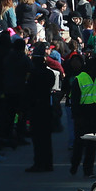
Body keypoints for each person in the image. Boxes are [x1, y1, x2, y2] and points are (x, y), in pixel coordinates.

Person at [71, 58, 96, 178]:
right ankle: (74, 165)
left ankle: (88, 170)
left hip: (95, 116)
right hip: (82, 115)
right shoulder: (80, 79)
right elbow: (74, 100)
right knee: (79, 144)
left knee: (92, 146)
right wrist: (76, 116)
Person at [25, 44, 57, 172]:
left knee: (37, 138)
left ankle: (38, 163)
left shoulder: (32, 74)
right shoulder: (49, 74)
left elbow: (28, 90)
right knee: (46, 138)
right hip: (46, 107)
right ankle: (48, 163)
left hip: (35, 108)